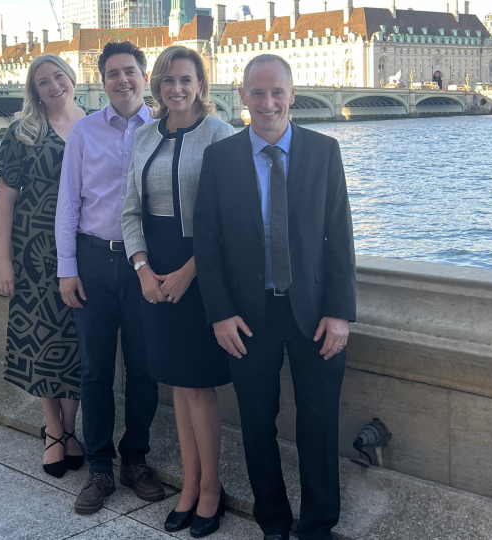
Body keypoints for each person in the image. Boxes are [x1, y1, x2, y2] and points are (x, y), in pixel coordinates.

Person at [193, 54, 356, 540]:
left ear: (292, 93)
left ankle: (318, 526)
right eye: (257, 93)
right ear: (241, 96)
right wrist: (220, 314)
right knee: (257, 424)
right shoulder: (220, 159)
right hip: (248, 316)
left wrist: (339, 313)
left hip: (313, 315)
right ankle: (273, 522)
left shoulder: (324, 151)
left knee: (320, 423)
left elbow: (339, 239)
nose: (268, 103)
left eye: (277, 92)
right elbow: (208, 242)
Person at [121, 45, 234, 538]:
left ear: (200, 84)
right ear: (157, 86)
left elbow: (231, 220)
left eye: (185, 80)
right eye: (167, 80)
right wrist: (143, 269)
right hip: (154, 272)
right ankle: (190, 484)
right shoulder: (145, 135)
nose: (176, 88)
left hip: (201, 270)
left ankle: (211, 489)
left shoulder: (220, 135)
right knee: (175, 383)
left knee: (197, 383)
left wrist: (190, 272)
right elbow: (130, 213)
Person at [56, 41, 165, 515]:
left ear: (145, 77)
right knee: (96, 370)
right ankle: (99, 467)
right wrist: (67, 270)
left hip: (145, 264)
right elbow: (68, 205)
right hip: (95, 260)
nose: (123, 80)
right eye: (113, 73)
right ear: (101, 82)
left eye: (131, 72)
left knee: (144, 368)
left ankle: (135, 459)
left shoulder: (163, 130)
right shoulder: (83, 132)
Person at [0, 54, 86, 480]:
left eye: (58, 77)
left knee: (76, 339)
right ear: (35, 91)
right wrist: (3, 260)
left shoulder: (93, 123)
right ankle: (54, 429)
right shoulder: (23, 132)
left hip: (82, 248)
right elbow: (5, 199)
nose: (53, 86)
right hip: (33, 251)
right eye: (43, 82)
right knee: (41, 340)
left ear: (71, 78)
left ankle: (70, 428)